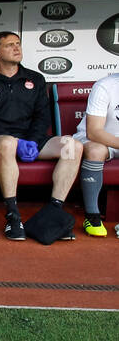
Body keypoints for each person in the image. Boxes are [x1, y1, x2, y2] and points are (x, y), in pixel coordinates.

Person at [0, 31, 81, 240]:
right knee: (7, 143)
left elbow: (42, 116)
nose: (16, 48)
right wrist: (14, 141)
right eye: (9, 45)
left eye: (18, 44)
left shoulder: (35, 78)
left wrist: (31, 140)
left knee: (73, 146)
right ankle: (13, 216)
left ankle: (53, 214)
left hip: (31, 139)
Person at [75, 71, 119, 237]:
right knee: (95, 151)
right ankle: (92, 215)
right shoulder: (105, 86)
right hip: (100, 139)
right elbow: (94, 132)